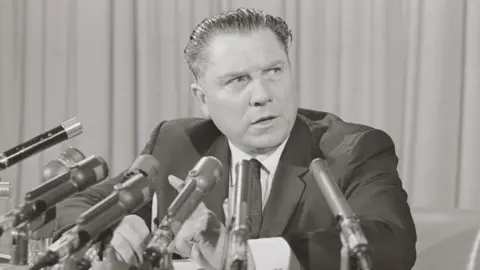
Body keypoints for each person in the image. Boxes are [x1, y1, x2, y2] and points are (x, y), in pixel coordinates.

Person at [52, 7, 417, 270]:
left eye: (274, 71)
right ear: (203, 99)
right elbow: (77, 205)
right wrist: (114, 225)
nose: (262, 94)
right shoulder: (178, 142)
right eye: (237, 80)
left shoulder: (352, 149)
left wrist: (247, 256)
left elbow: (391, 243)